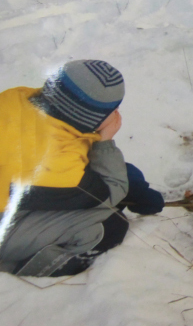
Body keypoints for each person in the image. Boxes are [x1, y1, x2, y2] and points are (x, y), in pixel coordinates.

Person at [0, 60, 164, 277]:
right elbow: (108, 192)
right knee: (109, 226)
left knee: (110, 174)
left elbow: (82, 164)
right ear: (87, 116)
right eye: (112, 110)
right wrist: (105, 140)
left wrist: (139, 191)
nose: (116, 113)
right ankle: (20, 272)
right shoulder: (61, 167)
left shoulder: (16, 99)